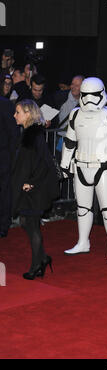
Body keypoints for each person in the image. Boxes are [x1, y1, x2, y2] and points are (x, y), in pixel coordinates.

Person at [60, 77, 107, 263]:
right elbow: (70, 141)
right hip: (81, 165)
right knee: (82, 208)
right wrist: (65, 165)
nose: (89, 99)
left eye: (93, 95)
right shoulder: (75, 114)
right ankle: (83, 242)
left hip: (103, 166)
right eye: (85, 95)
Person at [12, 99, 59, 280]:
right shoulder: (29, 133)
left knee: (31, 224)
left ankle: (37, 265)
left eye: (18, 112)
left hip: (35, 188)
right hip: (30, 187)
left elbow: (44, 163)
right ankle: (43, 258)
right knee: (27, 222)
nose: (15, 115)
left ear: (28, 114)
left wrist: (31, 182)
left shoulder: (34, 135)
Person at [0, 96, 19, 237]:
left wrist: (12, 157)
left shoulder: (5, 104)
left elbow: (13, 132)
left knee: (4, 190)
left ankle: (3, 224)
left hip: (3, 156)